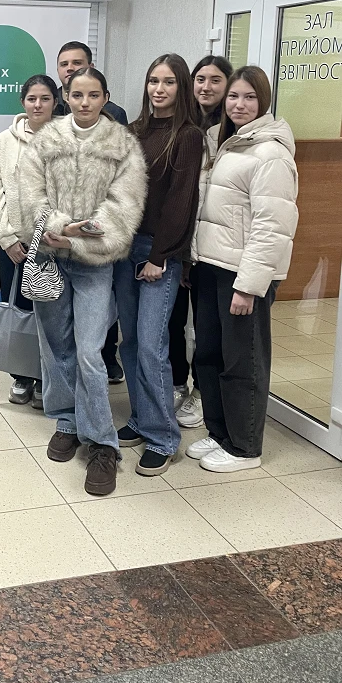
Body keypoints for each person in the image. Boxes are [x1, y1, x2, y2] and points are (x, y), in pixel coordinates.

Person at [19, 67, 147, 496]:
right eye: (77, 95)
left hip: (94, 263)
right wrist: (56, 226)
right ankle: (67, 421)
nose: (85, 102)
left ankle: (102, 444)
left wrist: (79, 234)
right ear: (66, 97)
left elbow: (125, 207)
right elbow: (29, 195)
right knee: (56, 345)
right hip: (49, 258)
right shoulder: (46, 140)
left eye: (93, 95)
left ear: (105, 97)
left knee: (90, 350)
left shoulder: (122, 145)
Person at [187, 66, 298, 472]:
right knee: (209, 355)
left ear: (263, 101)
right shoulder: (224, 141)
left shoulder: (270, 153)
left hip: (242, 274)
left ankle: (245, 446)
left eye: (249, 97)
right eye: (234, 96)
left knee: (243, 361)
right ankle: (219, 432)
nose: (239, 104)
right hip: (211, 265)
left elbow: (273, 225)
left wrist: (249, 285)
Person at [114, 54, 202, 476]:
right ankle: (140, 418)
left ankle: (164, 437)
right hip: (125, 247)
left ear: (180, 87)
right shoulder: (135, 131)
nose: (158, 89)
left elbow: (180, 202)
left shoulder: (187, 136)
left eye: (168, 82)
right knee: (130, 343)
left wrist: (159, 257)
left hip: (158, 252)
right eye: (153, 81)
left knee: (152, 346)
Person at [54, 41, 128, 383]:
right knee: (59, 340)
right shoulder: (51, 121)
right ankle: (64, 408)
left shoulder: (116, 124)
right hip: (55, 245)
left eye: (77, 63)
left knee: (91, 340)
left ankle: (105, 364)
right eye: (64, 64)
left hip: (97, 247)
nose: (85, 102)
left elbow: (122, 193)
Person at [0, 74, 58, 407]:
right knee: (18, 310)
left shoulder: (67, 138)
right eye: (32, 99)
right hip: (14, 245)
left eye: (45, 98)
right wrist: (7, 238)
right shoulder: (6, 140)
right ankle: (21, 375)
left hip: (53, 245)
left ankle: (45, 377)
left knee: (51, 314)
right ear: (22, 102)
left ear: (55, 101)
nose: (38, 105)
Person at [169, 55, 233, 429]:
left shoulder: (232, 132)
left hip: (213, 244)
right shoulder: (183, 124)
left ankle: (201, 392)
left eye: (215, 80)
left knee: (207, 330)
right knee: (174, 321)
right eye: (200, 79)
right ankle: (178, 383)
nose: (205, 86)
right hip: (181, 242)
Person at [55, 41, 128, 125]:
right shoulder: (47, 106)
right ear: (58, 70)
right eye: (64, 64)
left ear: (91, 67)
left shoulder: (114, 113)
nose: (70, 68)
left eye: (77, 63)